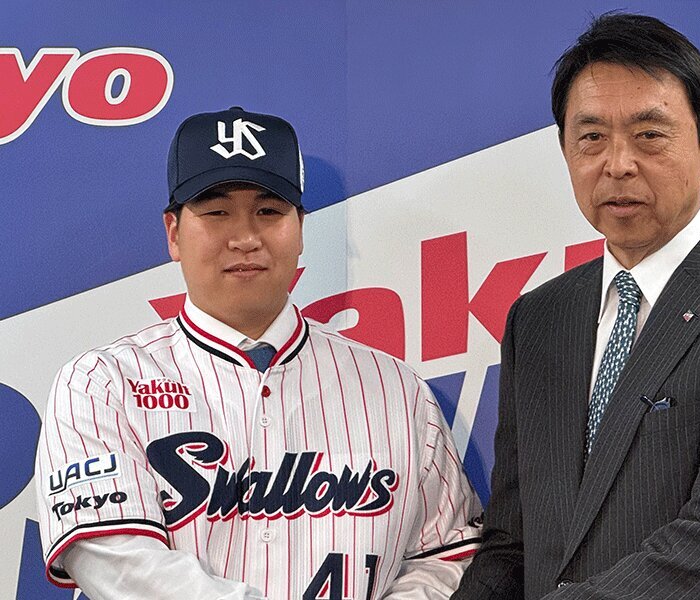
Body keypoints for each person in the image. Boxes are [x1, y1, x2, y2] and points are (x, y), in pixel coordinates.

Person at [453, 13, 700, 600]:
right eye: (591, 137)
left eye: (649, 134)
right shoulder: (537, 318)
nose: (617, 164)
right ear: (564, 149)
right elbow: (515, 539)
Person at [35, 106, 482, 600]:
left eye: (269, 211)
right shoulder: (101, 383)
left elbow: (448, 556)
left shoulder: (396, 389)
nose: (246, 238)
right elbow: (114, 560)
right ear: (173, 233)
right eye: (216, 211)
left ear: (301, 228)